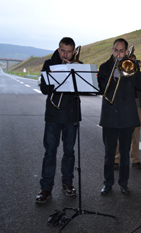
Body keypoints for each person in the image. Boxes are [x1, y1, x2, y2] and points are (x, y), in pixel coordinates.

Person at [36, 37, 81, 204]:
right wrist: (58, 73)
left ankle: (67, 183)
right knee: (49, 153)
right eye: (63, 50)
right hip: (53, 115)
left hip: (71, 115)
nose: (65, 54)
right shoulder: (49, 64)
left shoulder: (78, 66)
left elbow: (84, 89)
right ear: (58, 49)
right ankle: (46, 188)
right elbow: (44, 89)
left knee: (69, 152)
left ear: (74, 51)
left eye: (69, 51)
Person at [98, 38, 141, 195]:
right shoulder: (105, 67)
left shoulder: (132, 66)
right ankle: (108, 183)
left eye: (122, 51)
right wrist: (114, 74)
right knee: (109, 153)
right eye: (116, 50)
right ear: (112, 50)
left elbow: (140, 85)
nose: (119, 53)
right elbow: (102, 89)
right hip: (110, 115)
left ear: (126, 52)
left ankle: (124, 183)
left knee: (125, 153)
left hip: (127, 116)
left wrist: (131, 70)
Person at [114, 55, 141, 170]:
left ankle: (135, 159)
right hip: (123, 107)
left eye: (133, 61)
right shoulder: (120, 73)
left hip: (137, 107)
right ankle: (116, 159)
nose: (130, 63)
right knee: (120, 134)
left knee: (135, 136)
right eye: (128, 61)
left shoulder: (138, 75)